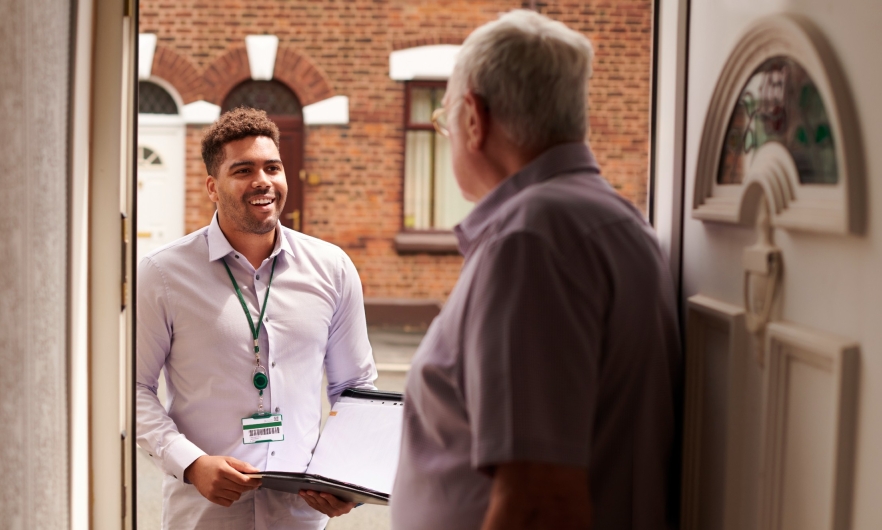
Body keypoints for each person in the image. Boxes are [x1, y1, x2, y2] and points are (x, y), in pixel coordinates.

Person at [391, 10, 681, 530]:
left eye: (445, 120)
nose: (448, 134)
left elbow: (537, 502)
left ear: (474, 119)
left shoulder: (529, 241)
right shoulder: (613, 218)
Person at [136, 107, 377, 529]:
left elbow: (354, 388)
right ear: (213, 186)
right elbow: (132, 390)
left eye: (272, 167)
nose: (262, 180)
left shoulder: (332, 268)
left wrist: (348, 480)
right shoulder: (161, 275)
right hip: (205, 515)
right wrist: (191, 463)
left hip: (299, 516)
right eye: (243, 169)